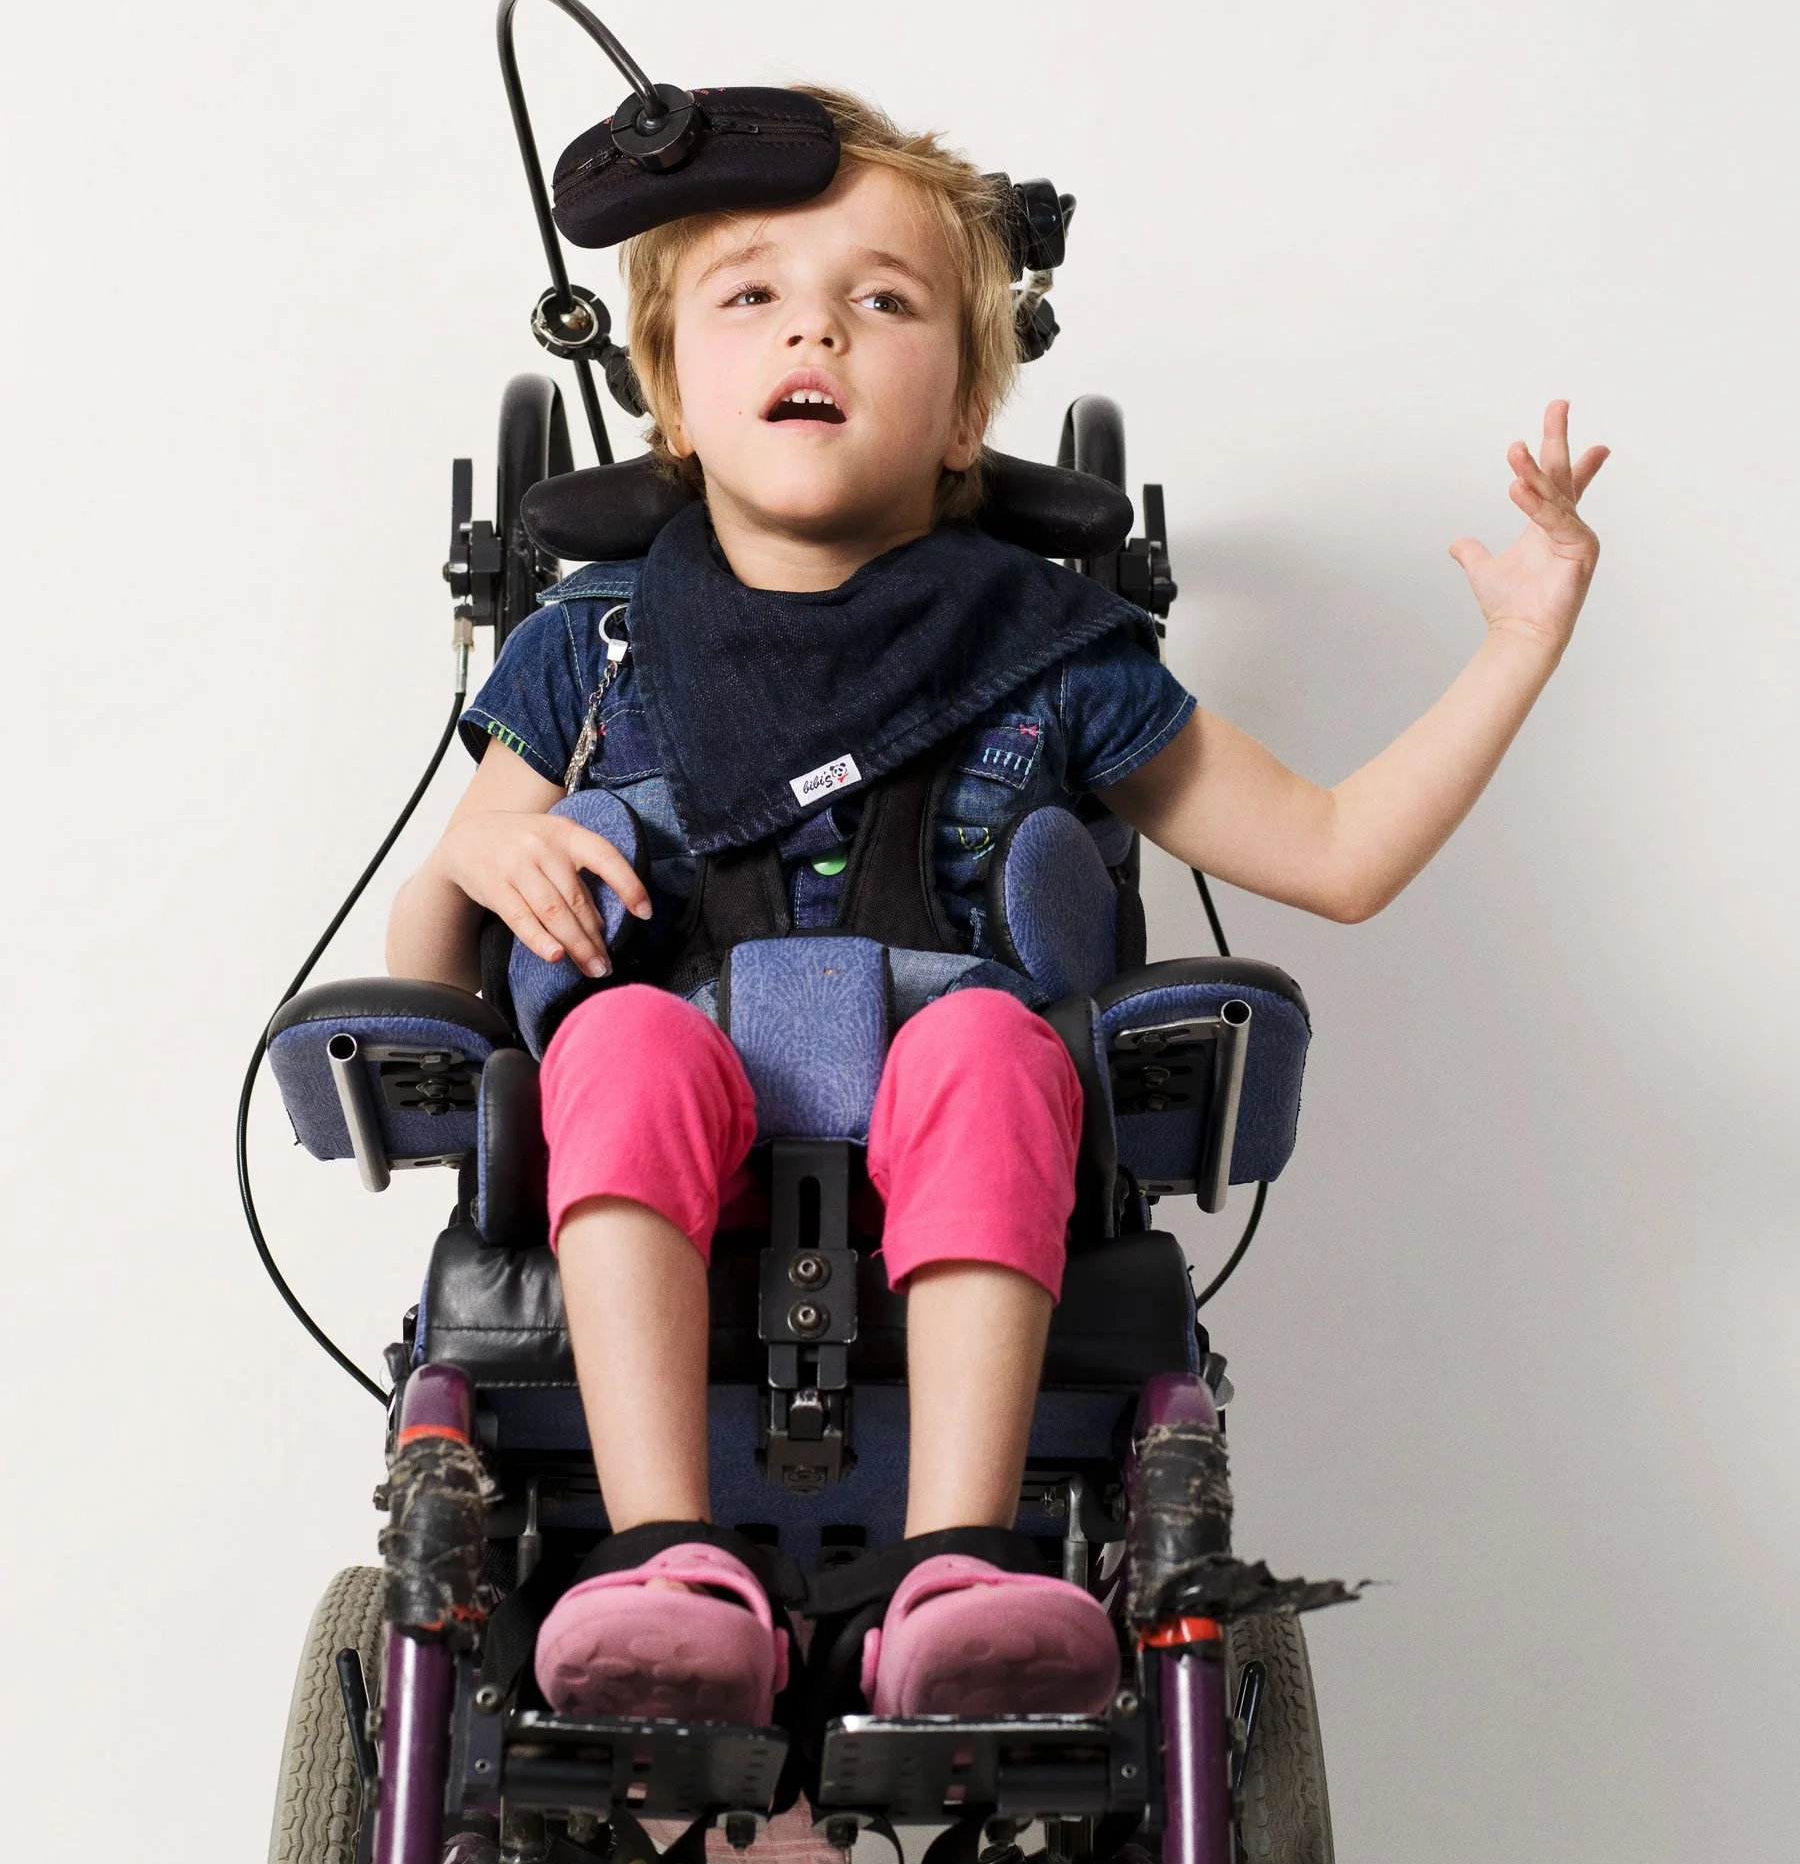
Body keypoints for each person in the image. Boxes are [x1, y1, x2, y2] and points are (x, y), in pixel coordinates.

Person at [387, 88, 1606, 1729]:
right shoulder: (591, 656)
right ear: (672, 392)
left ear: (968, 409)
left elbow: (1335, 851)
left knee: (983, 1039)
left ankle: (953, 1568)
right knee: (613, 1043)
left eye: (883, 298)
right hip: (663, 1162)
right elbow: (438, 982)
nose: (813, 320)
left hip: (955, 1151)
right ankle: (661, 1558)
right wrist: (473, 863)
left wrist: (1519, 645)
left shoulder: (1056, 658)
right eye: (751, 292)